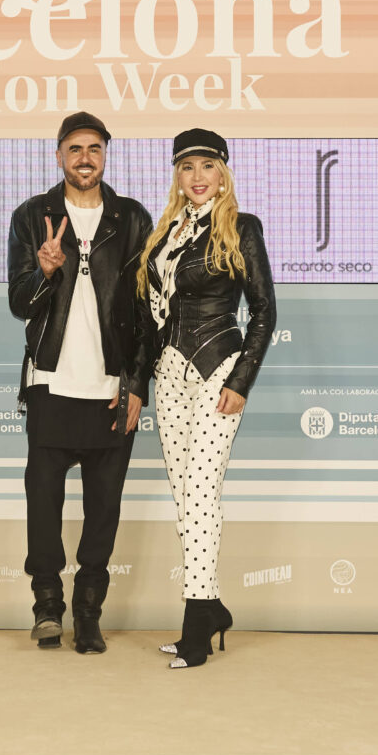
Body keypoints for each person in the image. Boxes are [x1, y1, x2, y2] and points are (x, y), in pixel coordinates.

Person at [7, 112, 154, 653]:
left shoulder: (131, 218)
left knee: (104, 510)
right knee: (43, 506)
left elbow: (148, 311)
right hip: (51, 383)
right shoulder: (33, 216)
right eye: (75, 149)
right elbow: (19, 303)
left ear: (105, 155)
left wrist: (136, 383)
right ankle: (47, 608)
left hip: (111, 389)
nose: (85, 158)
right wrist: (45, 272)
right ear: (59, 156)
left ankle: (89, 614)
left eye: (94, 148)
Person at [137, 128, 275, 669]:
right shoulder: (166, 232)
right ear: (177, 175)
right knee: (185, 496)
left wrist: (240, 381)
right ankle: (212, 606)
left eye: (207, 166)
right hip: (169, 375)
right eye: (187, 167)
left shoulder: (241, 227)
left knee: (200, 492)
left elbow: (263, 310)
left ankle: (197, 620)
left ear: (223, 173)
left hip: (218, 369)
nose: (197, 177)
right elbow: (153, 315)